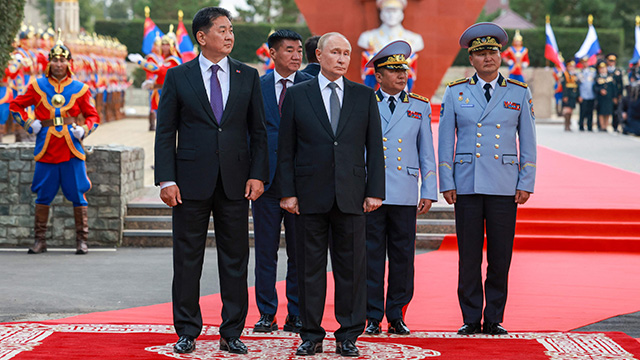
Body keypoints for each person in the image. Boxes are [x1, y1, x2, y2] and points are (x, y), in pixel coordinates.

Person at [154, 7, 268, 355]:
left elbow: (259, 132)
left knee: (235, 259)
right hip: (189, 183)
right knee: (187, 259)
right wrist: (166, 180)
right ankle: (187, 330)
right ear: (202, 37)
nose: (230, 35)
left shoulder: (248, 75)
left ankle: (232, 331)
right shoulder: (178, 76)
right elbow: (165, 132)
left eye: (231, 29)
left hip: (236, 182)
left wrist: (258, 174)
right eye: (222, 30)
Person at [277, 32, 385, 357]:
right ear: (320, 56)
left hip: (352, 195)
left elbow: (374, 149)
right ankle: (310, 334)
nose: (341, 58)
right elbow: (286, 150)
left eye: (346, 53)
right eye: (335, 52)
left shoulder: (364, 96)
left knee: (351, 269)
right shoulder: (298, 95)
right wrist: (287, 193)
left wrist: (375, 191)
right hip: (309, 196)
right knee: (310, 268)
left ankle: (348, 334)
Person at [438, 22, 536, 336]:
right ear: (471, 58)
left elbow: (528, 141)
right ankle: (470, 317)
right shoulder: (456, 92)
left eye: (492, 51)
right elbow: (444, 141)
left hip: (505, 184)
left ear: (500, 55)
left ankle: (494, 317)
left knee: (499, 254)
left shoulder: (518, 92)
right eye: (481, 53)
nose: (488, 57)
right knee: (468, 256)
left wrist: (526, 181)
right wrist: (446, 181)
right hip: (466, 183)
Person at [362, 40, 437, 336]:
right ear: (379, 76)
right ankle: (371, 315)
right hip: (372, 193)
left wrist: (429, 189)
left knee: (403, 257)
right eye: (393, 71)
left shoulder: (418, 105)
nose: (401, 75)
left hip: (405, 191)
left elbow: (426, 152)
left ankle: (397, 315)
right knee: (371, 256)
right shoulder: (366, 103)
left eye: (403, 70)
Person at [9, 30, 100, 255]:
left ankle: (82, 240)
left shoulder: (80, 89)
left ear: (69, 62)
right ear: (49, 62)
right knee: (43, 194)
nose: (58, 63)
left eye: (62, 59)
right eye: (55, 59)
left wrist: (84, 129)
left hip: (72, 147)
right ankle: (40, 240)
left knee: (78, 193)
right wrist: (31, 124)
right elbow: (15, 106)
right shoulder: (37, 86)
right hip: (46, 147)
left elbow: (93, 116)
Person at [252, 29, 311, 334]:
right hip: (266, 183)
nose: (296, 56)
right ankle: (266, 313)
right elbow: (250, 134)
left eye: (299, 50)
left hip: (301, 185)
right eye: (289, 50)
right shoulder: (256, 86)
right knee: (265, 251)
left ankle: (297, 313)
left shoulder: (310, 86)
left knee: (299, 253)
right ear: (272, 53)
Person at [357, 0, 423, 92]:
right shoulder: (367, 37)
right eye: (388, 11)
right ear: (381, 13)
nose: (391, 15)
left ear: (401, 14)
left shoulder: (415, 39)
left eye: (395, 11)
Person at [594, 61, 617, 132]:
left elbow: (614, 88)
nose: (603, 70)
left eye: (604, 68)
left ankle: (606, 126)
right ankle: (602, 126)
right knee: (601, 112)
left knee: (608, 112)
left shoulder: (610, 77)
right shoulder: (597, 77)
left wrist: (614, 97)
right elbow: (595, 87)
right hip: (601, 98)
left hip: (609, 98)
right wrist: (600, 90)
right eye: (601, 69)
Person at [577, 56, 596, 131]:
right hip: (583, 95)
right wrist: (579, 95)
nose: (585, 64)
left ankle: (589, 126)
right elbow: (578, 86)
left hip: (591, 95)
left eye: (586, 62)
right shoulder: (579, 72)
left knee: (590, 111)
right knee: (582, 111)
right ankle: (581, 125)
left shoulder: (592, 72)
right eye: (583, 62)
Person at [606, 54, 624, 132]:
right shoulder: (605, 70)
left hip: (615, 94)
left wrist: (620, 94)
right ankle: (603, 125)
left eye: (613, 61)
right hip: (607, 93)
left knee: (615, 110)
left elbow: (621, 83)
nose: (611, 63)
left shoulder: (618, 71)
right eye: (610, 61)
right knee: (604, 109)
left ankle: (615, 126)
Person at [561, 60, 580, 131]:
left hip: (573, 94)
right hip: (567, 94)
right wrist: (565, 96)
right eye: (570, 66)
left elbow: (577, 85)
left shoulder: (574, 74)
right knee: (567, 110)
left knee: (571, 110)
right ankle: (566, 125)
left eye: (573, 66)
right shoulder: (565, 74)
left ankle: (569, 124)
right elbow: (564, 86)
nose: (572, 68)